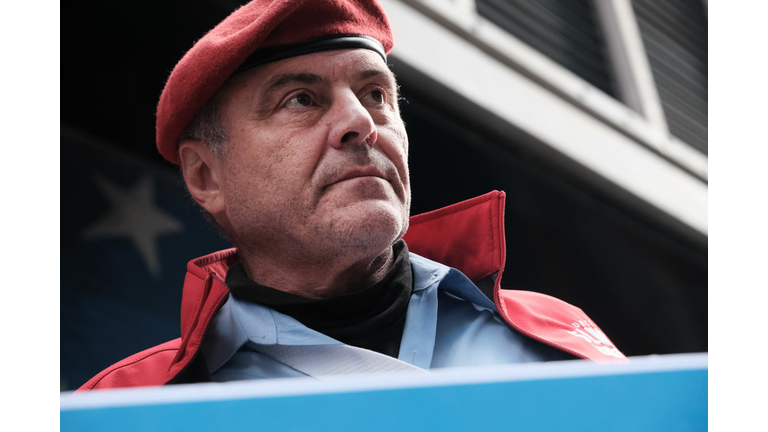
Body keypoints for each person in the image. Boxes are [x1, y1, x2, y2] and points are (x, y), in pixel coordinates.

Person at [79, 0, 625, 390]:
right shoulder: (128, 406)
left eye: (376, 94)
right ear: (206, 177)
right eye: (300, 99)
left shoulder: (559, 337)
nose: (361, 122)